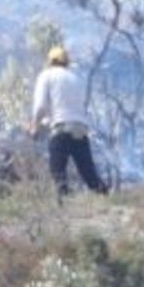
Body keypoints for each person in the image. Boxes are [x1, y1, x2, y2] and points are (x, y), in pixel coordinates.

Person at [30, 46, 109, 199]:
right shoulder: (76, 78)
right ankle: (106, 198)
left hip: (61, 131)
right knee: (89, 173)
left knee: (58, 172)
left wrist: (35, 125)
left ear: (50, 61)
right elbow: (74, 108)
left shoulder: (46, 76)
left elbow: (40, 106)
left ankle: (64, 207)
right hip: (80, 129)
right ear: (66, 61)